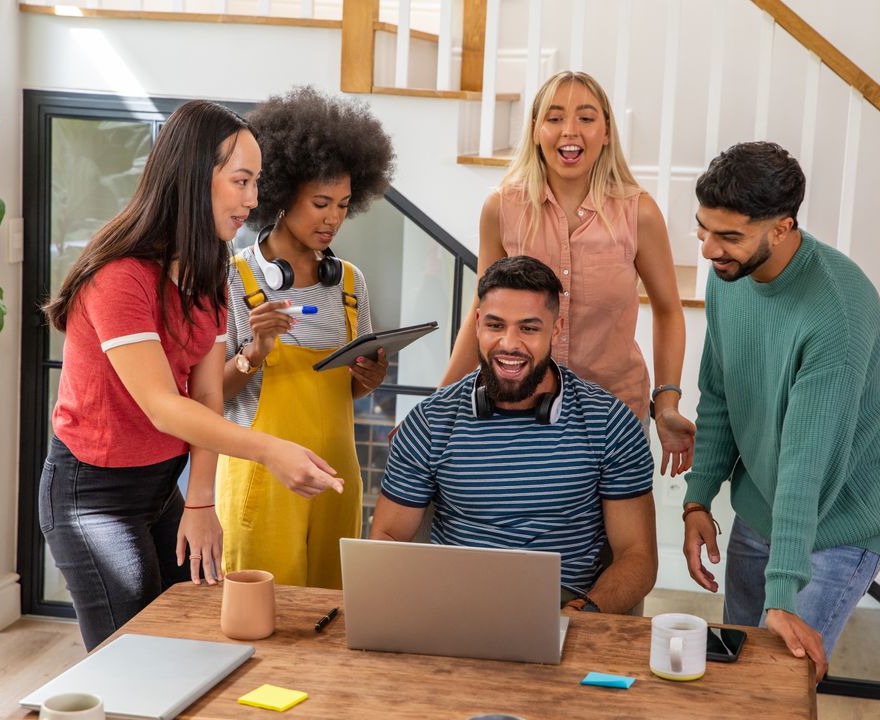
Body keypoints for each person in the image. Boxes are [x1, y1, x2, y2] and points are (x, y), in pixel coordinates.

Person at [40, 100, 343, 651]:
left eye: (256, 183)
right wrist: (270, 450)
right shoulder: (120, 277)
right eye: (241, 181)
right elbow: (164, 405)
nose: (253, 200)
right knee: (131, 658)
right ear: (192, 178)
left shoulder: (208, 271)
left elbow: (206, 394)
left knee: (190, 638)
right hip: (95, 495)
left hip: (162, 485)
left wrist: (200, 501)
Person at [681, 141, 880, 681]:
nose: (710, 250)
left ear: (782, 228)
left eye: (729, 236)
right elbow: (719, 394)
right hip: (760, 508)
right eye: (703, 229)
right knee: (735, 678)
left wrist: (784, 589)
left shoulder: (836, 311)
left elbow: (808, 463)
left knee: (775, 686)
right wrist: (697, 500)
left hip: (835, 523)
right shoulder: (727, 276)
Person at [439, 70, 695, 476]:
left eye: (586, 118)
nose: (569, 131)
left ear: (607, 132)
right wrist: (440, 404)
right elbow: (482, 312)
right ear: (537, 130)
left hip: (613, 412)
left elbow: (668, 310)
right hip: (516, 405)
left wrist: (666, 403)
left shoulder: (639, 213)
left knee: (612, 539)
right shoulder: (501, 208)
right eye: (555, 118)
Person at [372, 256, 658, 614]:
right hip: (453, 604)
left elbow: (638, 557)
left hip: (564, 606)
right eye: (495, 325)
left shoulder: (610, 423)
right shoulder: (431, 421)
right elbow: (386, 537)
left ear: (556, 329)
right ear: (477, 324)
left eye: (528, 328)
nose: (509, 343)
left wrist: (584, 614)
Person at [218, 87, 396, 589]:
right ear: (280, 192)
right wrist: (255, 353)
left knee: (330, 618)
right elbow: (210, 395)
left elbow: (348, 389)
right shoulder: (234, 278)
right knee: (261, 617)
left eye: (343, 204)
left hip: (337, 478)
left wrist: (370, 376)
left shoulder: (351, 283)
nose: (332, 218)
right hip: (262, 480)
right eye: (320, 202)